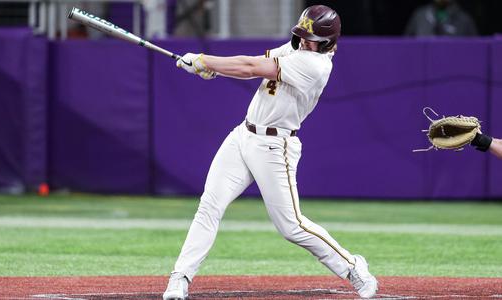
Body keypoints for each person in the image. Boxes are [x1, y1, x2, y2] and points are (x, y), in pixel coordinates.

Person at [162, 5, 378, 300]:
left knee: (292, 226)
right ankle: (180, 278)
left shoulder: (316, 65)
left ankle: (353, 266)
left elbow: (250, 68)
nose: (304, 40)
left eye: (310, 37)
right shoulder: (295, 48)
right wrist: (211, 68)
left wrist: (204, 59)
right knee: (209, 206)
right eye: (302, 34)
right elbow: (253, 64)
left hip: (276, 147)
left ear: (328, 42)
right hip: (243, 136)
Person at [404, 0, 477, 36]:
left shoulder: (464, 20)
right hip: (423, 64)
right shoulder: (419, 16)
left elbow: (475, 50)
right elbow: (406, 46)